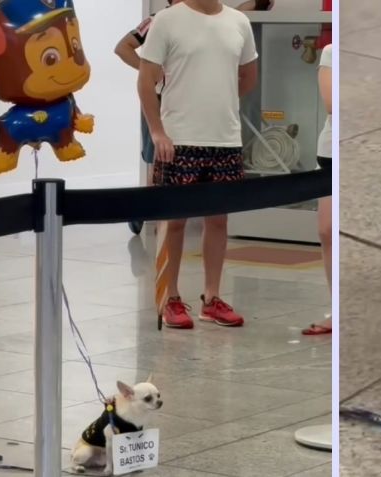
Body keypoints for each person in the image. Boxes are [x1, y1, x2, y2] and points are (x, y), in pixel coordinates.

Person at [138, 0, 258, 329]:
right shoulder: (166, 21)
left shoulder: (238, 22)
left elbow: (248, 76)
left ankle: (212, 297)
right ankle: (170, 298)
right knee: (174, 222)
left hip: (225, 139)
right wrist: (158, 131)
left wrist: (221, 103)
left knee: (218, 220)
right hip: (179, 140)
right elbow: (145, 80)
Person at [117, 0, 272, 234]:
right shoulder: (159, 20)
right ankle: (147, 210)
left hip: (205, 117)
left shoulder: (222, 19)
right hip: (162, 101)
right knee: (157, 157)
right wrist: (154, 74)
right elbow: (124, 47)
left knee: (214, 210)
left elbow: (236, 21)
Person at [303, 43, 333, 336]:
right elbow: (331, 103)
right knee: (326, 230)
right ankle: (335, 308)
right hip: (329, 152)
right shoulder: (331, 52)